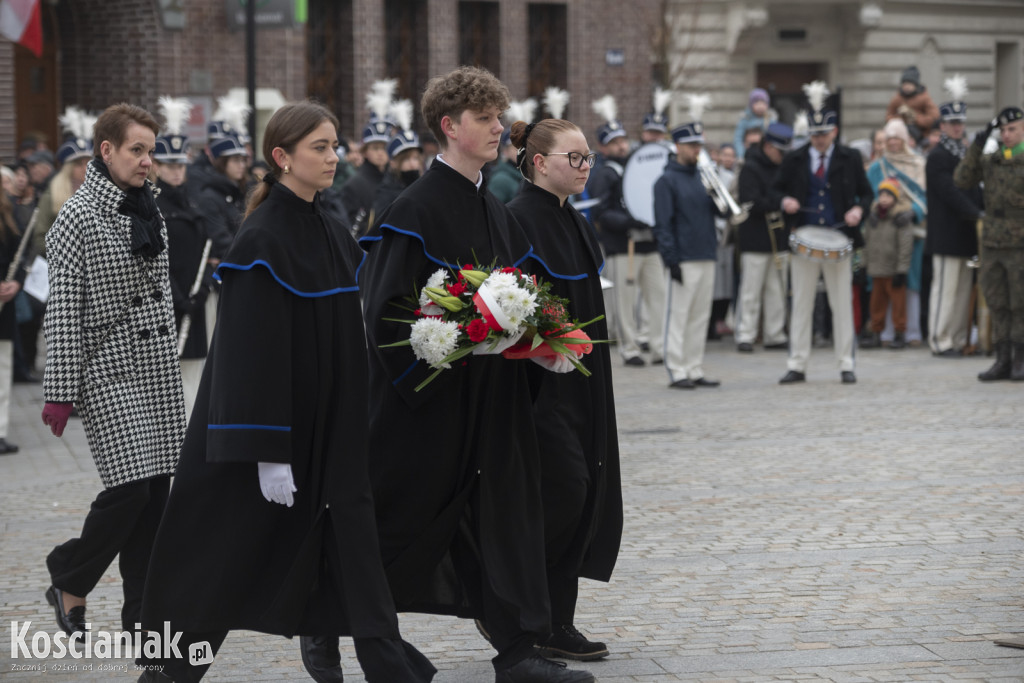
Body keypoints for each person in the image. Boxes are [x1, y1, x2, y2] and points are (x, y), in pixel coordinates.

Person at [140, 101, 436, 683]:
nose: (334, 157)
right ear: (282, 157)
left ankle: (385, 662)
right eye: (320, 148)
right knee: (225, 554)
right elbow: (248, 357)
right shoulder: (262, 237)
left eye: (335, 146)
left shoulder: (325, 223)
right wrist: (269, 451)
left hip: (333, 427)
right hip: (268, 434)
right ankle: (169, 673)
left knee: (353, 536)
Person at [354, 66, 595, 683]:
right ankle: (332, 618)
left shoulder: (497, 206)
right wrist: (456, 345)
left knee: (510, 514)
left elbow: (522, 298)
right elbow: (385, 316)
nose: (499, 128)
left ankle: (517, 651)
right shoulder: (410, 210)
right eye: (486, 119)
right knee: (400, 523)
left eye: (498, 116)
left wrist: (542, 342)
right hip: (432, 407)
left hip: (497, 401)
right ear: (449, 126)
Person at [40, 103, 187, 639]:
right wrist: (59, 391)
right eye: (137, 150)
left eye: (151, 150)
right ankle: (70, 575)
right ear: (106, 151)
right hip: (106, 370)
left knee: (155, 499)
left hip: (155, 372)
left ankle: (146, 622)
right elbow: (64, 312)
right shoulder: (77, 218)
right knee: (129, 490)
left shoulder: (151, 208)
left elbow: (160, 297)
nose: (148, 160)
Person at [505, 117, 623, 662]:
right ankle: (519, 614)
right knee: (563, 492)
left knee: (585, 494)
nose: (584, 167)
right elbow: (512, 308)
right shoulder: (516, 220)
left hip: (585, 381)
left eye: (588, 158)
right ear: (538, 162)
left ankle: (558, 620)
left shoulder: (573, 219)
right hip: (541, 386)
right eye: (574, 158)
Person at [775, 82, 872, 384]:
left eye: (824, 134)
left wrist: (858, 211)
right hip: (804, 238)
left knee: (841, 303)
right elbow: (775, 190)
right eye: (814, 135)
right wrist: (784, 201)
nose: (819, 140)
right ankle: (797, 364)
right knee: (801, 303)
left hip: (840, 239)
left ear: (835, 131)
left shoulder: (850, 158)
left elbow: (866, 195)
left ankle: (846, 364)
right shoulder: (795, 158)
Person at [588, 97, 665, 367]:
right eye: (613, 142)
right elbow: (601, 213)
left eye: (622, 140)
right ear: (602, 147)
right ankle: (630, 348)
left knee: (658, 298)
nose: (621, 145)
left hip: (650, 244)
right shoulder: (603, 174)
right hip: (624, 246)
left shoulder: (638, 165)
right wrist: (631, 221)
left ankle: (658, 346)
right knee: (626, 302)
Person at [653, 103, 722, 389]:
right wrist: (671, 260)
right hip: (683, 257)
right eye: (692, 145)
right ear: (678, 145)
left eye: (699, 145)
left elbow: (721, 213)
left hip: (706, 252)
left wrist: (719, 195)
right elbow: (663, 225)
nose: (697, 150)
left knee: (700, 316)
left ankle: (694, 367)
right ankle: (677, 369)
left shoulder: (705, 177)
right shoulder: (665, 181)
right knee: (679, 315)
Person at [954, 106, 1024, 381]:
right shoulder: (992, 160)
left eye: (1013, 129)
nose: (1006, 135)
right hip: (993, 243)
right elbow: (962, 179)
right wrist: (978, 144)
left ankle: (1020, 358)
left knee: (1020, 302)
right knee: (997, 301)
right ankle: (1002, 358)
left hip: (1020, 245)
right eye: (1003, 130)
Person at [152, 96, 211, 419]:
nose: (177, 172)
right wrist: (177, 297)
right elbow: (154, 261)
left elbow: (206, 251)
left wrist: (200, 292)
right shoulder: (152, 207)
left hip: (194, 300)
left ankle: (191, 448)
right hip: (167, 304)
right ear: (158, 168)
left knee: (195, 378)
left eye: (181, 166)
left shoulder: (192, 204)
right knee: (169, 383)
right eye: (171, 166)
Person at [925, 77, 982, 357]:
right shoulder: (938, 156)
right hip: (947, 232)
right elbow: (951, 192)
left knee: (961, 293)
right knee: (945, 291)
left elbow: (976, 188)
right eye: (952, 123)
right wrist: (977, 213)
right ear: (943, 126)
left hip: (967, 232)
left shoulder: (969, 154)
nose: (958, 127)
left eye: (961, 122)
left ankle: (958, 339)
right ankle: (940, 339)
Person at [866, 118, 927, 346]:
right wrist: (871, 211)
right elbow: (867, 196)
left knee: (908, 281)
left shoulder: (918, 164)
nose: (892, 144)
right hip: (883, 234)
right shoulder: (876, 167)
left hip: (910, 231)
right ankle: (885, 332)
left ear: (904, 140)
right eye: (889, 139)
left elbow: (926, 197)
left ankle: (910, 332)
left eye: (896, 139)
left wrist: (914, 211)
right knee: (883, 283)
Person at [734, 123, 793, 353]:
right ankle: (745, 334)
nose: (783, 156)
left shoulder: (783, 167)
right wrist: (778, 203)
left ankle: (774, 334)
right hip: (756, 237)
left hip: (778, 238)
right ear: (768, 146)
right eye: (780, 151)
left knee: (777, 289)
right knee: (751, 290)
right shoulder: (750, 168)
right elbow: (750, 201)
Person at [860, 179, 915, 350]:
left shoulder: (900, 218)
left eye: (888, 195)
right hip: (876, 269)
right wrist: (862, 265)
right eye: (881, 195)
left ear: (895, 198)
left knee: (898, 305)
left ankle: (900, 334)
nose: (884, 199)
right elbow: (865, 242)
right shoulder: (872, 218)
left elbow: (906, 245)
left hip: (894, 270)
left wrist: (902, 269)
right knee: (876, 304)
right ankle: (876, 333)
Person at [341, 84, 394, 235]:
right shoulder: (354, 185)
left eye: (384, 148)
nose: (381, 153)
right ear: (365, 152)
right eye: (375, 148)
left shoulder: (393, 180)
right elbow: (351, 230)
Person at [369, 101, 425, 225]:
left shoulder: (426, 186)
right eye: (406, 159)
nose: (412, 164)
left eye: (416, 158)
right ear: (393, 162)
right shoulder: (386, 194)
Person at [0, 187, 26, 453]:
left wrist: (16, 281)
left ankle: (0, 430)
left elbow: (21, 249)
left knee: (2, 366)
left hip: (3, 303)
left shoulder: (7, 207)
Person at [709, 143, 737, 340]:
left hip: (727, 233)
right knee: (714, 282)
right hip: (712, 232)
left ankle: (720, 318)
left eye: (731, 155)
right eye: (723, 154)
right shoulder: (709, 175)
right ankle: (711, 323)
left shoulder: (730, 178)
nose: (727, 159)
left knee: (725, 281)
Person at [886, 65, 940, 145]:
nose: (907, 87)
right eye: (905, 84)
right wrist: (900, 119)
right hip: (901, 137)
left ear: (915, 85)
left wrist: (914, 116)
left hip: (921, 138)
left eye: (909, 84)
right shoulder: (897, 99)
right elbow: (888, 116)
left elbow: (934, 118)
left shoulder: (924, 98)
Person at [733, 88, 777, 160]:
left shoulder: (770, 120)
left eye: (763, 103)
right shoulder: (745, 119)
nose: (760, 106)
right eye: (757, 103)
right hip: (747, 153)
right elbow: (738, 138)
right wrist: (741, 154)